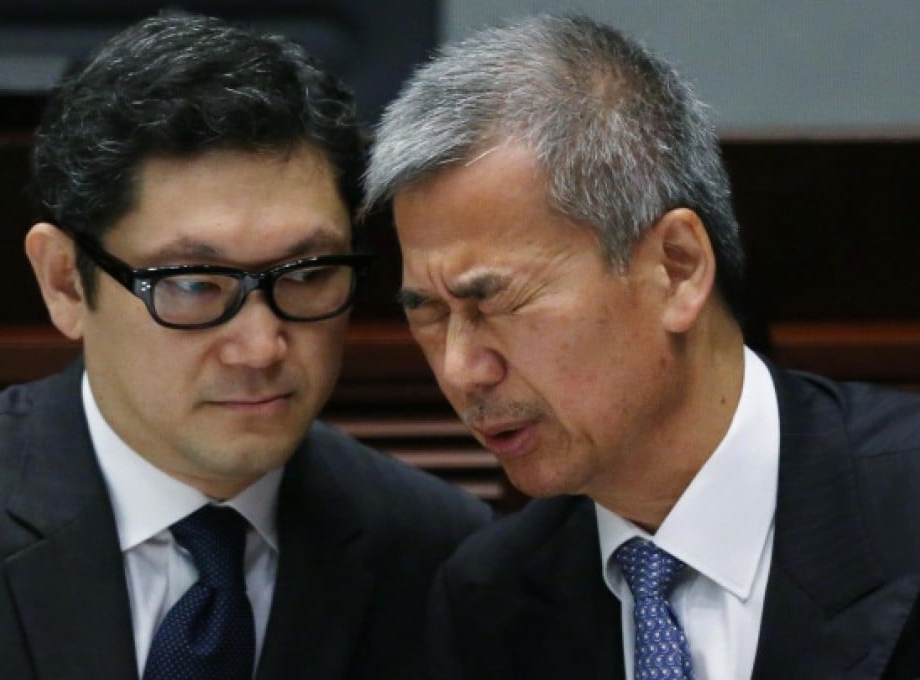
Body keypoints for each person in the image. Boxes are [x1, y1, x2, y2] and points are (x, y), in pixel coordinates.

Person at [0, 12, 492, 680]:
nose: (261, 347)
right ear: (66, 283)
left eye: (306, 276)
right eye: (193, 286)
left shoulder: (443, 557)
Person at [364, 13, 920, 679]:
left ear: (677, 269)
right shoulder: (490, 601)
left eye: (496, 302)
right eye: (428, 313)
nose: (461, 370)